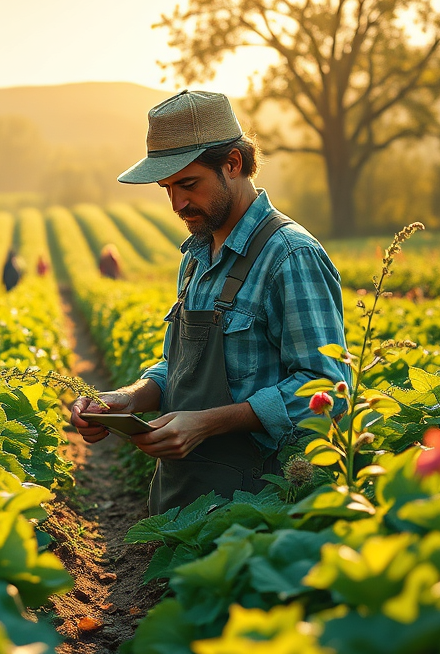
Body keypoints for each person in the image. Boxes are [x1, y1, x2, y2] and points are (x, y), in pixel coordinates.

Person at [70, 90, 349, 516]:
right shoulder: (197, 256)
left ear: (233, 164)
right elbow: (177, 369)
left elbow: (328, 388)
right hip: (185, 508)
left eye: (188, 184)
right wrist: (129, 399)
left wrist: (206, 424)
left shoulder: (290, 256)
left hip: (258, 513)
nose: (177, 204)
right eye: (168, 189)